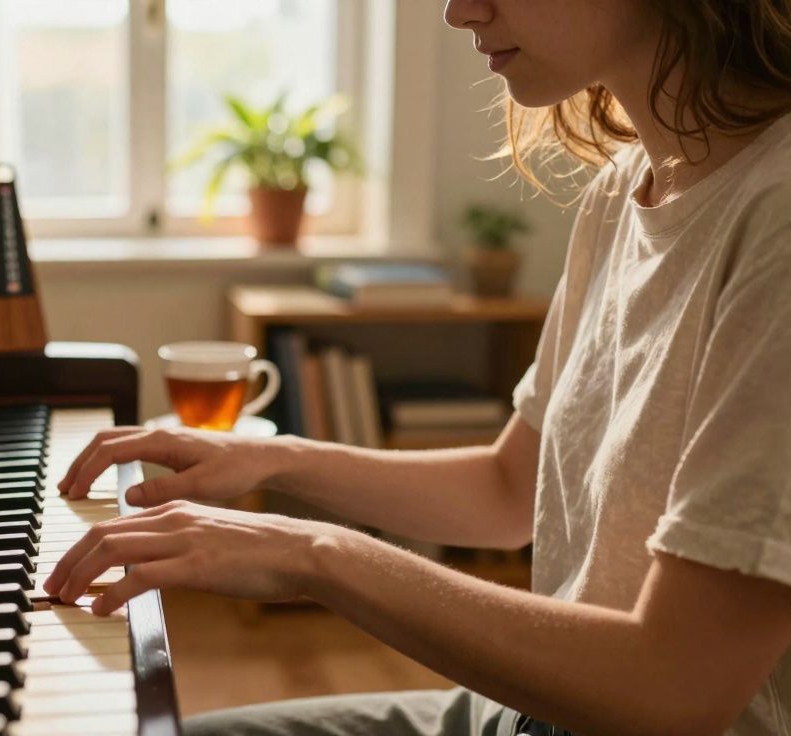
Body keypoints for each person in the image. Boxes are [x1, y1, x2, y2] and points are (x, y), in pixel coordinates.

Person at [42, 1, 791, 734]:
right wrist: (271, 457)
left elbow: (675, 692)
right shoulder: (620, 192)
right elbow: (508, 489)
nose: (457, 12)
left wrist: (311, 553)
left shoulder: (777, 216)